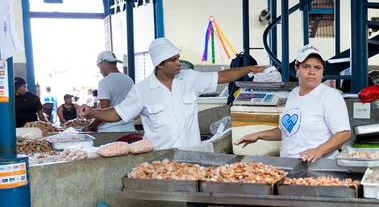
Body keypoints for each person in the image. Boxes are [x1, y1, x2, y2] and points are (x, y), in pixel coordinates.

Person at [234, 44, 351, 207]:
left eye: (317, 67)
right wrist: (258, 135)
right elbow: (288, 131)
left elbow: (343, 133)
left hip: (316, 172)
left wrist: (319, 150)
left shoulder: (330, 96)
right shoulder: (295, 94)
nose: (312, 72)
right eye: (306, 66)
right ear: (297, 68)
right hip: (290, 171)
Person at [78, 37, 266, 150]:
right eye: (173, 60)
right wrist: (93, 113)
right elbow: (117, 113)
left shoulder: (190, 79)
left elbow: (222, 76)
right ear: (160, 64)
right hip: (160, 160)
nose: (178, 63)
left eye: (178, 58)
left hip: (193, 156)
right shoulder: (142, 90)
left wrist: (249, 68)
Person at [85, 51, 135, 133]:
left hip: (110, 131)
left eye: (99, 66)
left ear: (103, 62)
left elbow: (104, 110)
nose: (100, 71)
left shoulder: (104, 82)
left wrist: (91, 127)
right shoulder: (129, 80)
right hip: (129, 129)